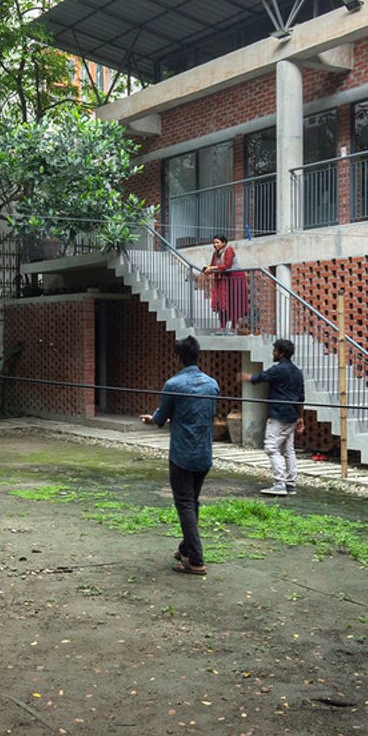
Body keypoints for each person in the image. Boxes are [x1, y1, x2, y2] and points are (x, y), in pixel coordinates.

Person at [139, 335, 220, 575]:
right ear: (198, 355)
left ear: (178, 358)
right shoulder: (212, 384)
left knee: (185, 504)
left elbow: (160, 419)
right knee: (192, 502)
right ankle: (186, 548)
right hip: (204, 454)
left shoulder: (173, 385)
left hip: (182, 455)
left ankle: (195, 559)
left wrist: (150, 419)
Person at [243, 338, 304, 497]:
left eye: (275, 350)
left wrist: (246, 377)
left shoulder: (278, 370)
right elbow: (301, 397)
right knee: (288, 450)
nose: (273, 353)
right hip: (292, 415)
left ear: (281, 353)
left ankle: (279, 484)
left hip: (279, 415)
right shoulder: (297, 372)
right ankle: (291, 484)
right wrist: (300, 417)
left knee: (271, 447)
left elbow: (259, 378)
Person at [202, 235, 249, 333]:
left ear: (223, 243)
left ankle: (233, 326)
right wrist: (208, 269)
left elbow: (227, 265)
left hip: (234, 278)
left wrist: (212, 268)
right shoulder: (215, 253)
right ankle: (222, 326)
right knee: (222, 302)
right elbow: (213, 265)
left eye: (217, 242)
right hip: (222, 280)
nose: (215, 245)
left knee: (234, 301)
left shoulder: (229, 250)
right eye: (214, 243)